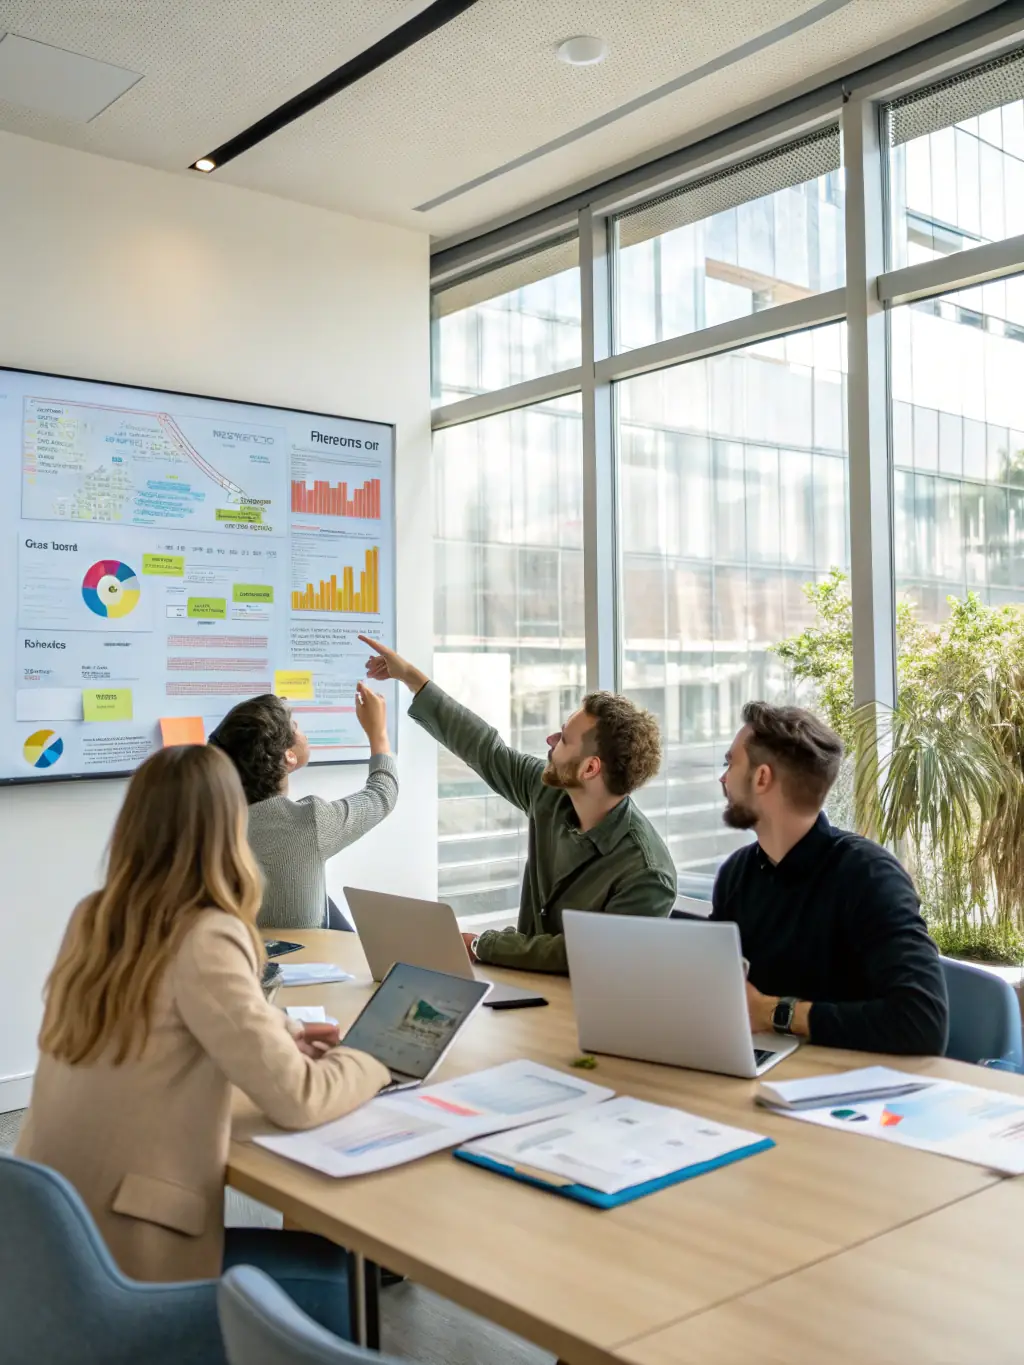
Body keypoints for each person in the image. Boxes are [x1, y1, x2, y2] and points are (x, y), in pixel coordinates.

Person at [16, 745, 388, 1333]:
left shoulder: (97, 916)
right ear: (229, 828)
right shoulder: (207, 933)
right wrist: (376, 1059)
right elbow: (300, 1101)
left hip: (53, 1245)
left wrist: (281, 1031)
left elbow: (170, 1027)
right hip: (130, 1264)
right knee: (334, 1274)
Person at [360, 635, 677, 973]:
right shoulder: (551, 792)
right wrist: (410, 676)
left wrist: (483, 944)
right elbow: (486, 749)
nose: (550, 741)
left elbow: (584, 954)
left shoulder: (648, 874)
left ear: (589, 768)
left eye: (564, 739)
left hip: (583, 1015)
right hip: (524, 989)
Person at [712, 700, 949, 1055]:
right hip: (759, 1070)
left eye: (731, 763)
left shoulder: (869, 875)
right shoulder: (737, 873)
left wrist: (774, 1012)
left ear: (762, 777)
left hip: (850, 1088)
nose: (723, 778)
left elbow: (922, 1022)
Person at [209, 684, 397, 930]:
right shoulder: (309, 822)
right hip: (301, 964)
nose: (302, 733)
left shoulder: (209, 822)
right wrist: (378, 733)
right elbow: (382, 794)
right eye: (295, 728)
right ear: (288, 756)